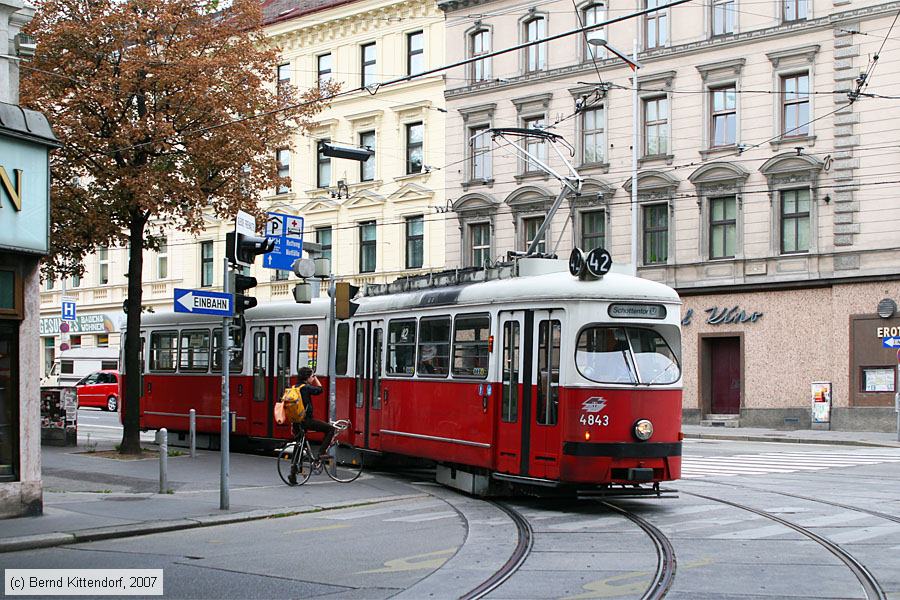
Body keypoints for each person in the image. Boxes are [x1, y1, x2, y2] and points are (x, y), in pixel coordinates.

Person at [292, 366, 336, 465]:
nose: (313, 378)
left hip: (296, 422)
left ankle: (293, 471)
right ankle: (321, 453)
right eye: (312, 376)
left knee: (299, 444)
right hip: (306, 421)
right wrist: (316, 378)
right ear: (307, 377)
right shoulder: (306, 387)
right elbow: (320, 390)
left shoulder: (294, 387)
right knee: (330, 429)